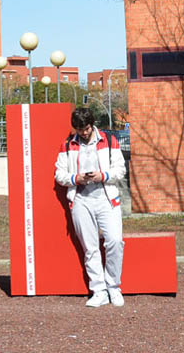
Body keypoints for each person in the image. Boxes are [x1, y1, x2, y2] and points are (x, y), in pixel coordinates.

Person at [54, 108, 127, 307]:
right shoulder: (68, 145)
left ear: (92, 124)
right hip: (81, 200)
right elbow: (59, 174)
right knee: (90, 247)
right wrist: (74, 178)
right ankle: (99, 290)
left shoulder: (109, 140)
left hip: (106, 198)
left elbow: (120, 169)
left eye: (85, 129)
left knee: (114, 241)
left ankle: (114, 287)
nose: (83, 133)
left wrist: (102, 175)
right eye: (79, 129)